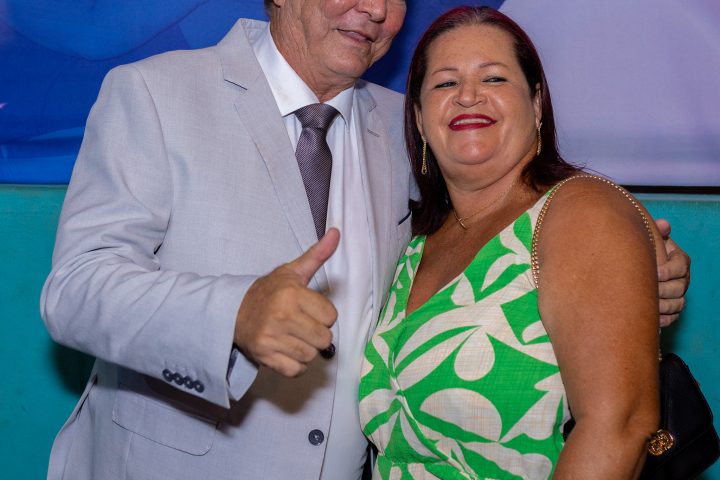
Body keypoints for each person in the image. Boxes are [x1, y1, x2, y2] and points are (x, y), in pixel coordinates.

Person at [40, 1, 687, 479]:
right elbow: (75, 288)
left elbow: (535, 238)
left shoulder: (410, 126)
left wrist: (631, 271)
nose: (374, 9)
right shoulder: (155, 92)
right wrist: (232, 313)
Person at [359, 6, 666, 479]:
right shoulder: (415, 242)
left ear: (537, 104)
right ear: (419, 120)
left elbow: (620, 427)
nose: (467, 96)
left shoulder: (580, 212)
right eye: (445, 83)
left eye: (494, 78)